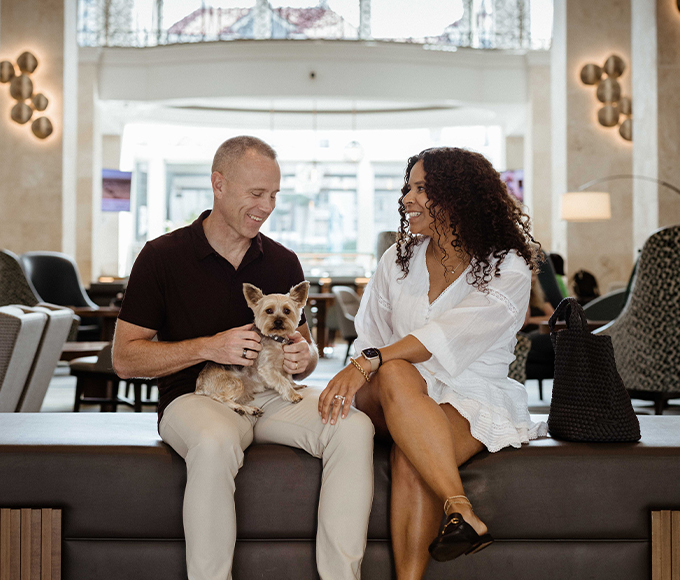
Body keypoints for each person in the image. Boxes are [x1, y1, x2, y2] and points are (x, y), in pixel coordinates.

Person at [112, 136, 374, 580]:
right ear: (219, 184)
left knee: (354, 426)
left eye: (273, 195)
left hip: (271, 395)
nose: (266, 206)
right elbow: (124, 359)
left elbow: (306, 350)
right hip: (196, 396)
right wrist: (207, 347)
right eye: (256, 193)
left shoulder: (283, 261)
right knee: (214, 442)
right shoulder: (161, 257)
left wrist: (304, 357)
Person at [319, 147, 548, 579]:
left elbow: (449, 334)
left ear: (460, 195)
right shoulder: (397, 259)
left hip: (471, 394)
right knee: (397, 370)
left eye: (421, 189)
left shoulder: (507, 266)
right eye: (408, 188)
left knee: (413, 455)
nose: (406, 198)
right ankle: (461, 509)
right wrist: (371, 362)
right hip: (387, 392)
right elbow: (371, 337)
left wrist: (371, 361)